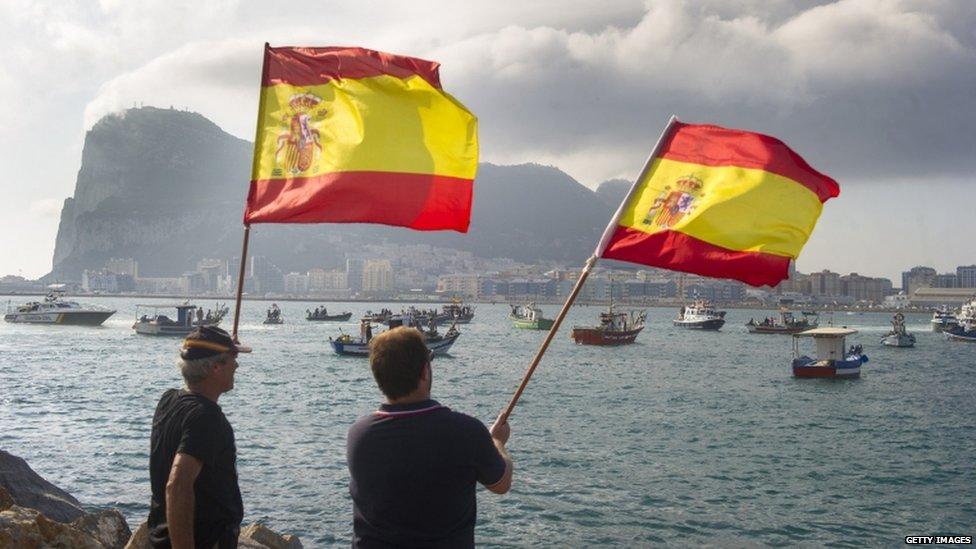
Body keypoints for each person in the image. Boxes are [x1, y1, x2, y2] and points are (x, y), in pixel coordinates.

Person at [347, 327, 513, 548]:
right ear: (425, 372)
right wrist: (497, 442)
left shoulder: (358, 435)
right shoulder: (466, 431)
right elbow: (501, 483)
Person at [147, 326, 251, 549]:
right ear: (215, 367)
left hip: (159, 538)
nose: (237, 365)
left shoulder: (169, 400)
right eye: (233, 359)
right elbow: (177, 485)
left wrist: (224, 347)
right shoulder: (207, 417)